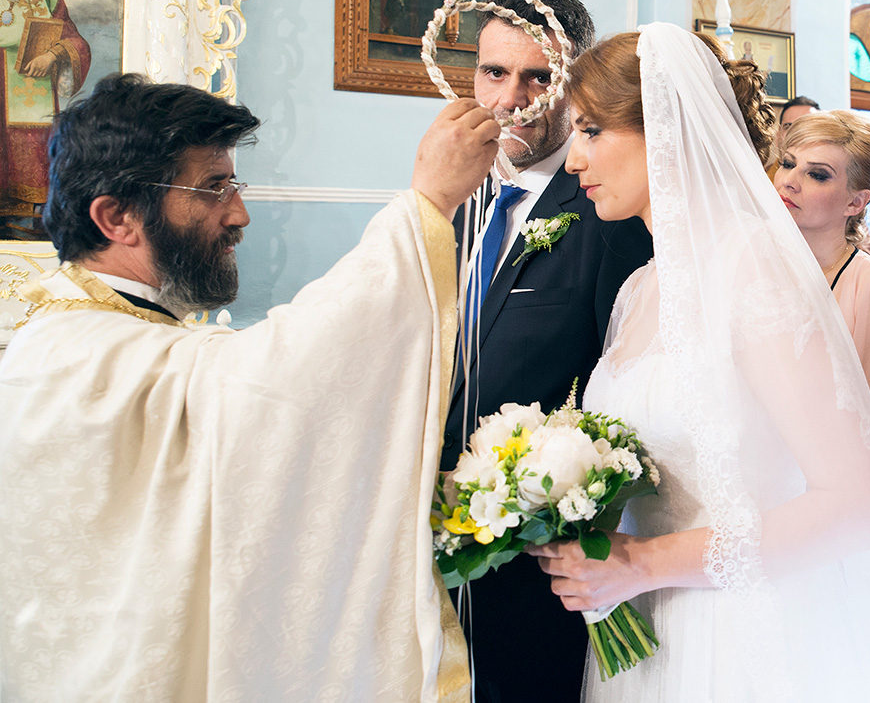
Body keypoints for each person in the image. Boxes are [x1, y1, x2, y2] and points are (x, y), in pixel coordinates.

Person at [0, 73, 500, 701]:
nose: (238, 213)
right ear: (117, 217)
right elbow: (270, 385)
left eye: (233, 184)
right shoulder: (80, 353)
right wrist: (426, 205)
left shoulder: (90, 330)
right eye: (211, 189)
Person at [531, 24, 870, 701]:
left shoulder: (751, 265)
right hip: (650, 635)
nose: (573, 160)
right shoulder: (640, 288)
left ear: (662, 128)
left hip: (740, 638)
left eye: (591, 130)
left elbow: (862, 505)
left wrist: (643, 562)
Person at [440, 0, 653, 702]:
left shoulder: (608, 211)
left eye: (539, 76)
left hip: (544, 556)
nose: (511, 98)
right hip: (438, 538)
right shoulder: (455, 197)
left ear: (573, 83)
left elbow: (629, 383)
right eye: (494, 73)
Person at [773, 109, 870, 436]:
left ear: (855, 203)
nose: (789, 181)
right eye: (788, 163)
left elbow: (868, 425)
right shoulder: (755, 263)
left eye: (817, 174)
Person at [0, 0, 91, 240]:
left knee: (33, 152)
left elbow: (74, 39)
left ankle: (29, 223)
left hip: (32, 96)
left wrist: (53, 56)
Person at [765, 95, 820, 181]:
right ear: (778, 135)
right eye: (788, 126)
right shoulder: (758, 179)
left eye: (806, 127)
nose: (795, 134)